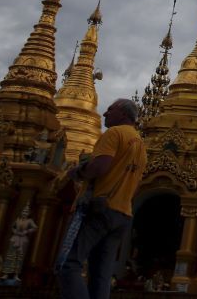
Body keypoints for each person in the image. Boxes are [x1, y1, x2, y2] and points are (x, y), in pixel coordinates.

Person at [56, 99, 147, 299]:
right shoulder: (141, 145)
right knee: (101, 275)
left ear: (123, 114)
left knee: (68, 264)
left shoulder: (115, 134)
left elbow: (100, 167)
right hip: (122, 214)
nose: (105, 114)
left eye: (110, 109)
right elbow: (137, 184)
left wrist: (78, 172)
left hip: (98, 209)